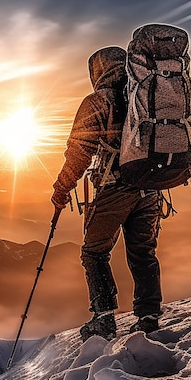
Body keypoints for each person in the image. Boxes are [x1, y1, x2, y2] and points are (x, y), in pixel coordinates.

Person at [51, 46, 162, 341]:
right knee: (143, 252)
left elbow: (78, 153)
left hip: (115, 188)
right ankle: (149, 317)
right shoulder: (147, 96)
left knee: (94, 252)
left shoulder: (99, 101)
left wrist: (62, 188)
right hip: (151, 188)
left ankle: (103, 318)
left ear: (97, 71)